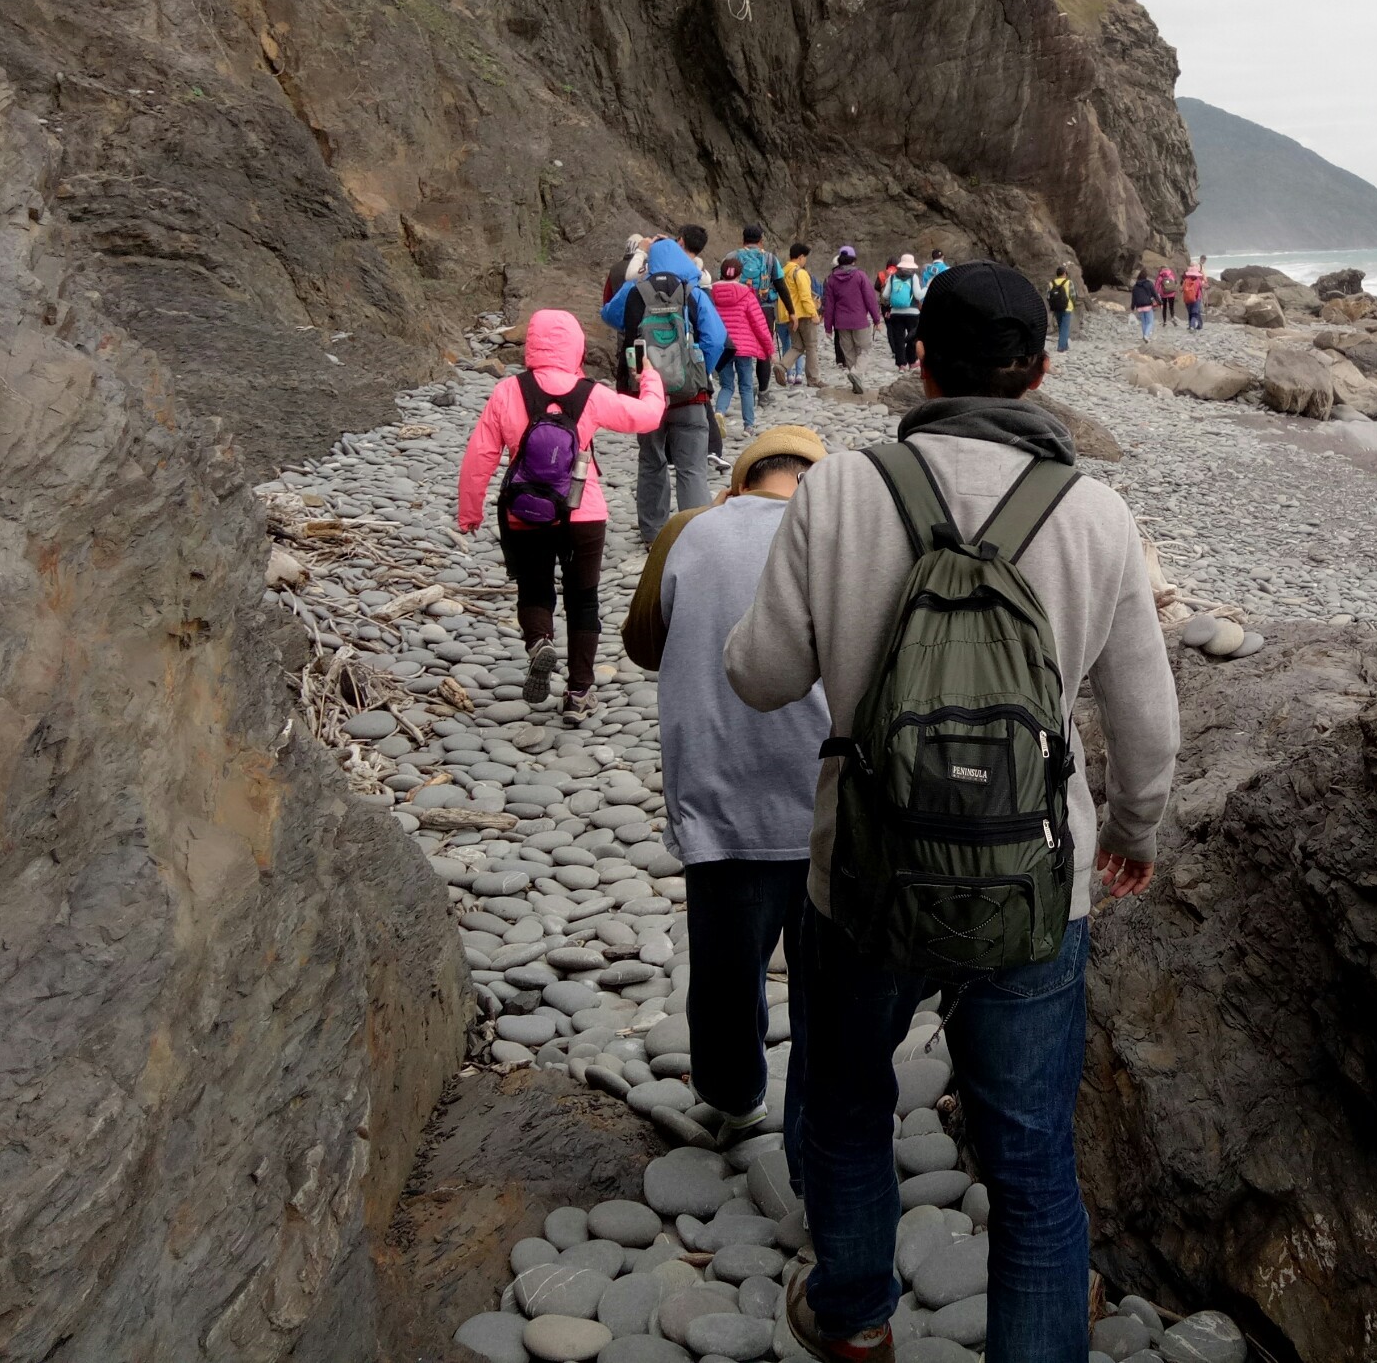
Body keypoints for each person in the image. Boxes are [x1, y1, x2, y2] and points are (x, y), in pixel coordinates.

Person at [726, 262, 1178, 1363]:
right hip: (1035, 876)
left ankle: (854, 1319)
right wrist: (1131, 836)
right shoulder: (1096, 513)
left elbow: (763, 676)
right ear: (1043, 368)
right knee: (1028, 1157)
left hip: (862, 871)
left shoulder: (837, 490)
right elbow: (1146, 725)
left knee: (841, 1105)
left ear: (917, 356)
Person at [620, 425, 832, 1149]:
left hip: (719, 794)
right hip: (827, 800)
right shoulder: (844, 536)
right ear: (817, 483)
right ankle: (818, 1141)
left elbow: (644, 642)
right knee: (826, 986)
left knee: (724, 972)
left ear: (739, 482)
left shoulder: (690, 529)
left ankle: (737, 1099)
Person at [457, 309, 667, 721]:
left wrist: (471, 511)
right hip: (582, 513)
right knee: (584, 600)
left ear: (532, 344)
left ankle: (539, 643)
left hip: (525, 511)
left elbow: (480, 454)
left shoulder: (507, 391)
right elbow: (647, 417)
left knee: (534, 590)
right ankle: (578, 693)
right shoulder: (590, 393)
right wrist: (650, 378)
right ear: (576, 346)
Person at [603, 228, 731, 542]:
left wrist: (638, 269)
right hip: (689, 396)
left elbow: (609, 316)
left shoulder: (635, 291)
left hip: (645, 395)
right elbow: (716, 338)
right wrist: (699, 372)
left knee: (651, 460)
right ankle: (695, 532)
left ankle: (653, 533)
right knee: (691, 465)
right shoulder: (693, 292)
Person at [711, 256, 775, 434]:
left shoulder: (712, 294)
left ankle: (719, 413)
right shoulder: (747, 294)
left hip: (723, 346)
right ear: (740, 274)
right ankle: (748, 425)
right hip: (743, 348)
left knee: (726, 385)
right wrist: (769, 349)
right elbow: (759, 324)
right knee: (746, 386)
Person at [727, 225, 781, 399]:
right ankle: (764, 392)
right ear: (760, 241)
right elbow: (780, 285)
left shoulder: (732, 257)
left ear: (743, 240)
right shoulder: (770, 258)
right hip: (765, 308)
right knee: (764, 349)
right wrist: (791, 310)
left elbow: (725, 283)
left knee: (741, 348)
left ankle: (743, 390)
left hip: (737, 310)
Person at [820, 246, 883, 395]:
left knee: (849, 353)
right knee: (865, 349)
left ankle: (855, 379)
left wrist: (828, 327)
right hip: (859, 320)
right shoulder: (860, 276)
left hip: (841, 322)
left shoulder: (832, 279)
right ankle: (856, 374)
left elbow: (829, 305)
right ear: (854, 260)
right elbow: (870, 299)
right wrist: (876, 319)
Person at [777, 241, 823, 387]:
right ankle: (813, 379)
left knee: (797, 346)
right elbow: (805, 296)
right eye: (805, 258)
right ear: (801, 257)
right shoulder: (800, 273)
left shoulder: (782, 272)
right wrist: (814, 313)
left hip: (789, 315)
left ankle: (782, 366)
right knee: (811, 346)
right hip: (803, 315)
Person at [881, 253, 924, 370]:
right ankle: (912, 361)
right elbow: (918, 295)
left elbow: (885, 295)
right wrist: (927, 288)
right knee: (913, 337)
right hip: (912, 313)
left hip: (896, 313)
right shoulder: (913, 277)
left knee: (898, 338)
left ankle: (901, 364)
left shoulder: (892, 277)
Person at [603, 232, 648, 305]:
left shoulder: (615, 268)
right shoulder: (645, 268)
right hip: (637, 311)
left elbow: (607, 296)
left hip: (616, 309)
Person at [1046, 264, 1076, 353]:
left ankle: (1065, 345)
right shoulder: (1068, 282)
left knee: (1061, 326)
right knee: (1065, 327)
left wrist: (1053, 304)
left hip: (1056, 308)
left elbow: (1048, 296)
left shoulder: (1051, 283)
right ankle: (1061, 347)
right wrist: (1072, 304)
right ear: (1064, 273)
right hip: (1067, 308)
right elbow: (1073, 295)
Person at [1128, 268, 1158, 341]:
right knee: (1150, 322)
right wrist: (1160, 302)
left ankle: (1144, 336)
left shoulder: (1135, 286)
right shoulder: (1149, 283)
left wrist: (1132, 306)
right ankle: (1146, 335)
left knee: (1144, 322)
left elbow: (1134, 297)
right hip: (1147, 305)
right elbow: (1154, 294)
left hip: (1139, 306)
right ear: (1146, 276)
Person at [1180, 259, 1206, 332]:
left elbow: (1181, 289)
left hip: (1187, 299)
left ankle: (1195, 325)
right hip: (1196, 298)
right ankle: (1192, 326)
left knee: (1190, 313)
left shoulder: (1185, 280)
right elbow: (1203, 287)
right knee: (1195, 313)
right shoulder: (1198, 281)